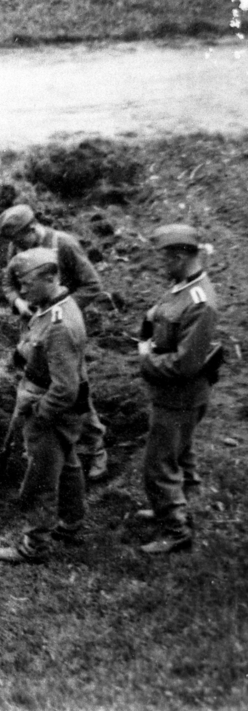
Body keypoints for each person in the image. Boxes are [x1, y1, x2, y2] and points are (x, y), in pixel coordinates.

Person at [0, 204, 109, 480]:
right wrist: (19, 302)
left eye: (20, 240)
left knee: (73, 388)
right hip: (34, 328)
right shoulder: (18, 248)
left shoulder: (64, 245)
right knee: (32, 381)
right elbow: (9, 282)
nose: (16, 248)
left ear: (33, 229)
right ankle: (30, 447)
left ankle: (96, 449)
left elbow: (93, 285)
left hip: (60, 329)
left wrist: (62, 311)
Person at [0, 248, 89, 564]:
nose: (22, 290)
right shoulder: (54, 307)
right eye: (19, 282)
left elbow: (64, 388)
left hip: (52, 408)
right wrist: (23, 354)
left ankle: (36, 544)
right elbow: (38, 342)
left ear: (50, 278)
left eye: (28, 282)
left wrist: (40, 416)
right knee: (69, 465)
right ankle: (71, 523)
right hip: (63, 409)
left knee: (40, 477)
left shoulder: (60, 323)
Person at [136, 224, 221, 555]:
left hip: (179, 396)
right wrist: (151, 319)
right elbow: (164, 311)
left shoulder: (201, 303)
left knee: (158, 464)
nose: (162, 264)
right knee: (179, 456)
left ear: (182, 256)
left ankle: (176, 531)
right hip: (174, 396)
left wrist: (145, 359)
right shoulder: (183, 287)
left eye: (166, 258)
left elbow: (185, 365)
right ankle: (171, 507)